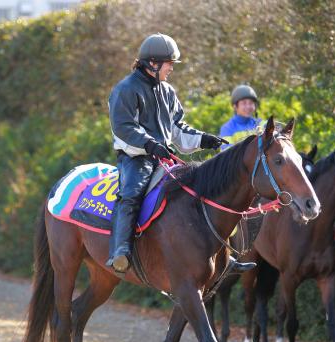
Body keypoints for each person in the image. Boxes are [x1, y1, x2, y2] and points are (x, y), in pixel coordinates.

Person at [106, 33, 254, 274]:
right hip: (136, 159)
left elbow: (177, 128)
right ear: (153, 63)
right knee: (131, 194)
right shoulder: (125, 89)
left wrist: (204, 139)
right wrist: (150, 144)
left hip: (164, 157)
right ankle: (120, 251)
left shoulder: (167, 91)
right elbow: (123, 128)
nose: (172, 69)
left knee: (207, 192)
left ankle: (224, 256)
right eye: (170, 64)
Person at [219, 85, 265, 150]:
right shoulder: (227, 129)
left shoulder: (262, 124)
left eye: (251, 103)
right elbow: (228, 155)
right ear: (235, 106)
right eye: (244, 103)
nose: (248, 106)